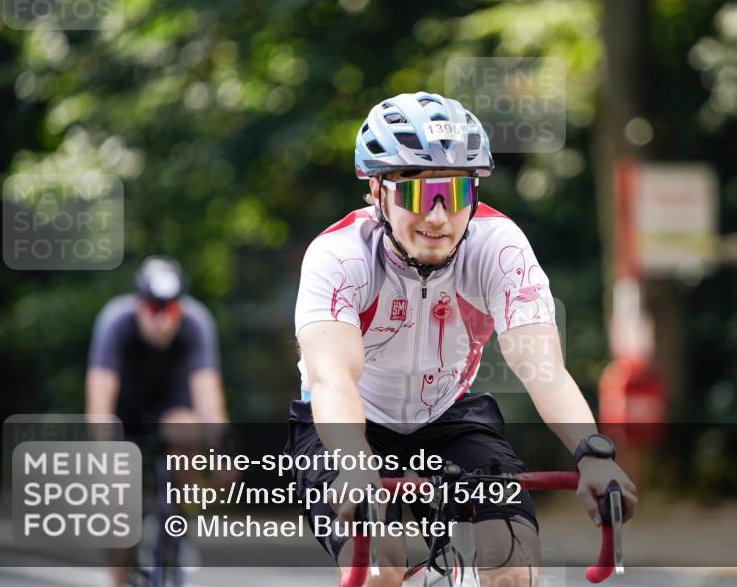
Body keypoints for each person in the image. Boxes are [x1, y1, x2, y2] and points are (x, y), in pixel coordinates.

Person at [287, 92, 638, 587]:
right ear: (376, 191)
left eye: (456, 194)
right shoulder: (339, 256)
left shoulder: (498, 246)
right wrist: (354, 464)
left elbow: (543, 368)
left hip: (449, 416)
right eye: (418, 195)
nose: (437, 217)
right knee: (379, 565)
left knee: (511, 564)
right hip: (349, 424)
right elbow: (332, 379)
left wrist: (593, 454)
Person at [86, 256, 228, 587]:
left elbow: (207, 393)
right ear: (139, 304)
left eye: (171, 309)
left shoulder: (195, 322)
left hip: (170, 408)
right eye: (154, 309)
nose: (163, 320)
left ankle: (182, 519)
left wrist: (220, 451)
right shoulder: (115, 321)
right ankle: (118, 576)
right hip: (125, 413)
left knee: (187, 429)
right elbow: (99, 400)